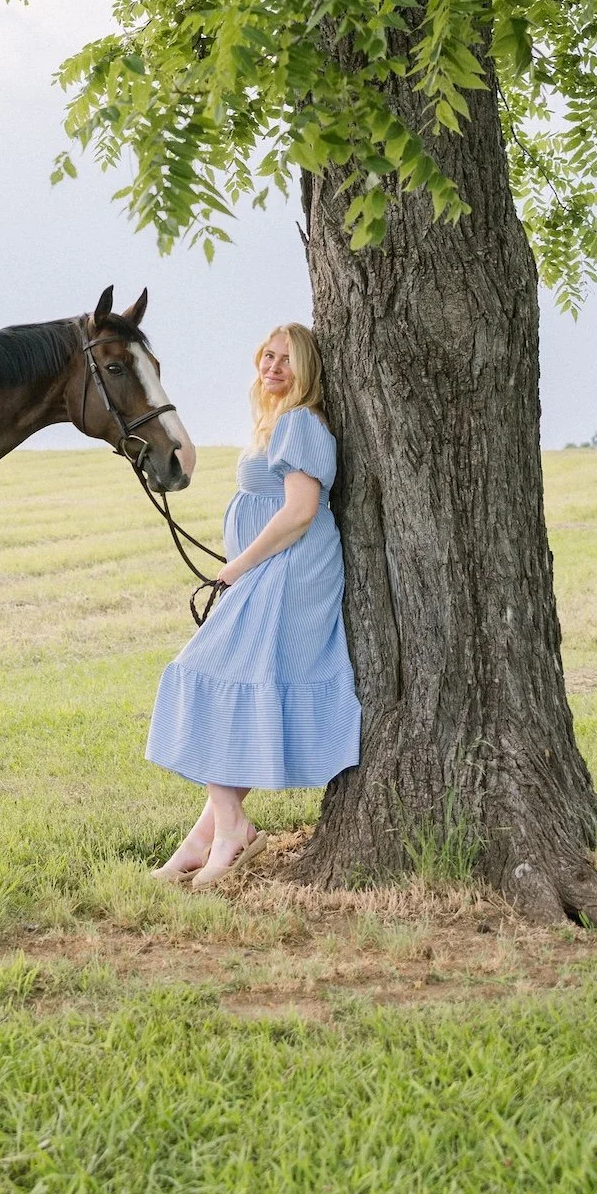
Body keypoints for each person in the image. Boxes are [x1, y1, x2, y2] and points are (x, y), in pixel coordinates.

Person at [145, 323, 361, 888]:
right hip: (274, 569)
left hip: (289, 574)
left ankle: (233, 826)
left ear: (308, 371)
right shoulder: (278, 419)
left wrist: (236, 568)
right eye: (268, 355)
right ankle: (205, 835)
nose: (274, 367)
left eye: (288, 360)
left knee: (207, 673)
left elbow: (299, 511)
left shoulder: (298, 421)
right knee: (236, 688)